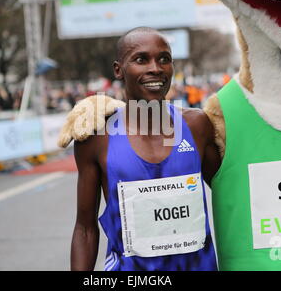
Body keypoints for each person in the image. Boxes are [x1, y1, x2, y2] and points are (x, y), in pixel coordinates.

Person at [70, 27, 220, 271]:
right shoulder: (96, 136)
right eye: (141, 59)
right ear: (118, 69)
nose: (155, 68)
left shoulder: (197, 125)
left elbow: (231, 194)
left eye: (164, 59)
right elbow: (85, 228)